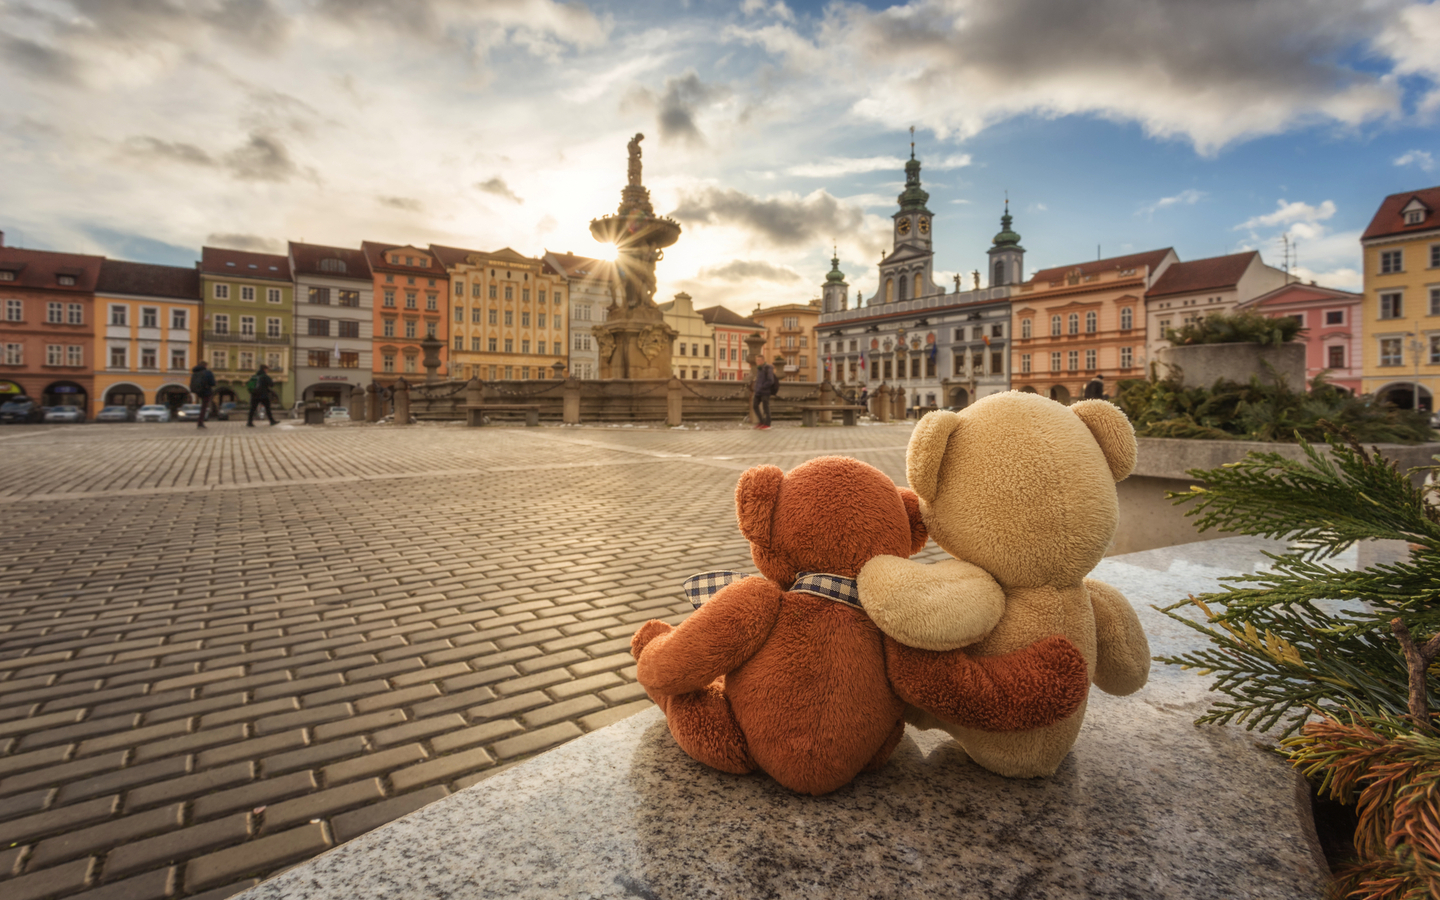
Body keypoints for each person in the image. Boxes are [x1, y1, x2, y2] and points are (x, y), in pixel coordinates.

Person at [751, 355, 778, 430]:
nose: (757, 361)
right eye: (757, 360)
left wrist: (762, 387)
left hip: (765, 392)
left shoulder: (768, 367)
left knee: (766, 407)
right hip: (758, 391)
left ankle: (767, 424)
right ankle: (761, 422)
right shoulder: (759, 369)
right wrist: (756, 388)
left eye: (759, 360)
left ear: (763, 360)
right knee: (755, 406)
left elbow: (770, 380)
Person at [189, 361, 216, 429]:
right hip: (206, 391)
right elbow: (212, 383)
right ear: (205, 365)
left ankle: (200, 421)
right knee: (204, 407)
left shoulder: (195, 373)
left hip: (198, 391)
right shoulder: (207, 372)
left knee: (202, 406)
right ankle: (200, 422)